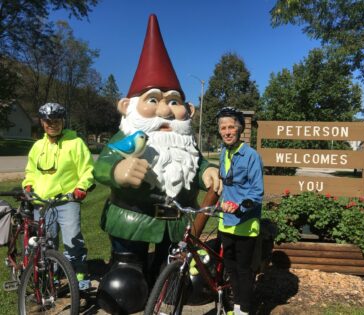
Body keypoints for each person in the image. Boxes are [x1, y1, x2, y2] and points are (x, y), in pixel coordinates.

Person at [94, 14, 221, 290]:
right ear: (127, 106)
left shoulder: (183, 140)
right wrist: (117, 170)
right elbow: (101, 165)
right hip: (132, 219)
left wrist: (207, 171)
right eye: (153, 100)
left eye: (173, 101)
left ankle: (164, 276)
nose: (165, 110)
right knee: (126, 282)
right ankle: (129, 266)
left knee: (172, 274)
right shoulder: (127, 135)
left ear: (189, 110)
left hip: (177, 223)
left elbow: (194, 162)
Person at [22, 102, 95, 291]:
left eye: (56, 120)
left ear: (63, 121)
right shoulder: (38, 146)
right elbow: (30, 171)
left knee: (72, 240)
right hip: (42, 202)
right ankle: (53, 275)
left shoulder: (75, 143)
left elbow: (87, 169)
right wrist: (28, 185)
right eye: (47, 121)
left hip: (66, 200)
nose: (52, 124)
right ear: (41, 122)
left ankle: (78, 274)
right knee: (47, 242)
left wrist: (82, 187)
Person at [216, 107, 264, 315]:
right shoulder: (223, 154)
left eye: (231, 127)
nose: (227, 132)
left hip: (245, 224)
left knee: (244, 271)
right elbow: (224, 184)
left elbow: (257, 192)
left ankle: (244, 310)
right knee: (231, 269)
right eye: (223, 128)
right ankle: (236, 307)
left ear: (239, 129)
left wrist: (239, 207)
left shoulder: (251, 156)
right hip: (225, 223)